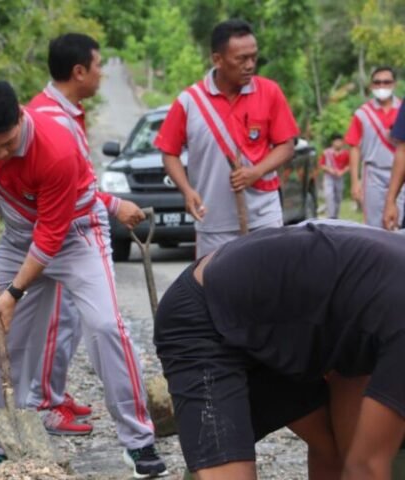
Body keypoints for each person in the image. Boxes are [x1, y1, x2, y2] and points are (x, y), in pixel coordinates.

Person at [0, 81, 167, 479]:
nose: (1, 154)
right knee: (4, 339)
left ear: (22, 115)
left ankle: (139, 442)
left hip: (74, 235)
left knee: (106, 327)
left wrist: (13, 293)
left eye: (8, 144)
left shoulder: (56, 147)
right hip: (18, 237)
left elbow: (50, 237)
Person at [155, 222, 405, 479]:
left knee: (336, 450)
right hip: (204, 317)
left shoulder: (379, 317)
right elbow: (367, 466)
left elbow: (355, 440)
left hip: (281, 322)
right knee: (229, 470)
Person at [24, 33, 146, 436]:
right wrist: (113, 205)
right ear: (79, 72)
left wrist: (110, 205)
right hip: (61, 233)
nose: (101, 73)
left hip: (77, 226)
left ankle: (55, 394)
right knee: (59, 322)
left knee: (74, 322)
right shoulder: (48, 118)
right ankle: (47, 404)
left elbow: (80, 182)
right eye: (98, 66)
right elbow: (70, 192)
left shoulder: (69, 109)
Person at [155, 19, 299, 259]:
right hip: (212, 220)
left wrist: (255, 172)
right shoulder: (190, 101)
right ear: (217, 60)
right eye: (241, 59)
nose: (250, 65)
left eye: (254, 57)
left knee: (269, 288)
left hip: (264, 215)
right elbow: (169, 152)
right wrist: (187, 191)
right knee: (216, 289)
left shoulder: (270, 92)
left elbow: (286, 146)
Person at [347, 66, 403, 228]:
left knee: (400, 223)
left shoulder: (402, 110)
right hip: (373, 175)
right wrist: (355, 182)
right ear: (371, 86)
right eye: (377, 83)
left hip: (401, 174)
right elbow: (354, 147)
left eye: (386, 82)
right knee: (374, 226)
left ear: (394, 84)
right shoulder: (362, 114)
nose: (381, 86)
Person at [319, 134, 350, 219]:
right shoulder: (326, 153)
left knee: (338, 197)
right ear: (332, 142)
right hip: (329, 178)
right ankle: (330, 216)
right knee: (329, 195)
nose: (338, 143)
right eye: (336, 141)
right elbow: (321, 165)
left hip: (339, 177)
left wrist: (342, 172)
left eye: (340, 141)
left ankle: (336, 215)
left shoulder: (345, 153)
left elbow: (349, 165)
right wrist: (330, 170)